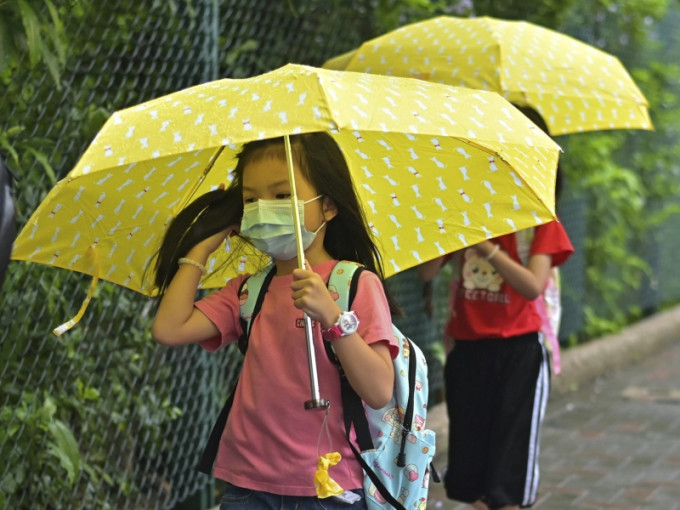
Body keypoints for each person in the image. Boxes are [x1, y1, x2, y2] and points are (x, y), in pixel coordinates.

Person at [151, 132, 400, 510]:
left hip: (328, 487)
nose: (264, 208)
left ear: (328, 205)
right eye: (251, 199)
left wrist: (332, 317)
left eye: (283, 196)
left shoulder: (354, 283)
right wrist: (200, 249)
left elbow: (380, 390)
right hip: (246, 482)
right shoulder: (248, 291)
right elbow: (169, 329)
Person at [418, 109, 574, 510]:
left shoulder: (539, 221)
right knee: (471, 463)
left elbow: (532, 286)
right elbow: (427, 272)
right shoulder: (467, 214)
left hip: (520, 351)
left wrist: (488, 247)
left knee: (509, 468)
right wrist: (453, 224)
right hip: (468, 349)